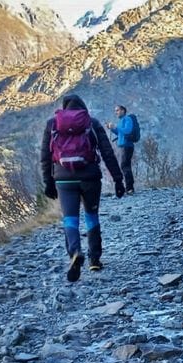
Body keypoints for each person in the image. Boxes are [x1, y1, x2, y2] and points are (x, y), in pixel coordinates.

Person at [40, 94, 124, 282]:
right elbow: (107, 152)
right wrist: (118, 180)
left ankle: (75, 252)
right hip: (90, 177)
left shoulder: (52, 124)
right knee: (91, 215)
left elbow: (45, 156)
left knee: (70, 218)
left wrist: (48, 182)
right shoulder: (92, 123)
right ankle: (94, 259)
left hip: (63, 180)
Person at [106, 105, 136, 195]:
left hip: (127, 145)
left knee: (124, 166)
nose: (116, 112)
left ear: (123, 111)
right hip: (123, 146)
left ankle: (129, 188)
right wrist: (112, 129)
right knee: (125, 165)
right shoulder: (121, 121)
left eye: (117, 110)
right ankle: (129, 187)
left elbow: (127, 131)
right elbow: (119, 133)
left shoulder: (127, 119)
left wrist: (116, 127)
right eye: (115, 111)